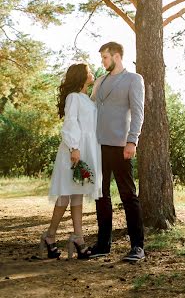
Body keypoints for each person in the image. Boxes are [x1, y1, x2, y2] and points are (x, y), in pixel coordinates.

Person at [88, 41, 145, 262]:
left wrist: (133, 141)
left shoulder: (133, 79)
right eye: (102, 57)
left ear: (117, 56)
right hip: (97, 145)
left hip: (121, 146)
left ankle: (137, 246)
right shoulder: (100, 81)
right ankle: (103, 244)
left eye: (105, 57)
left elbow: (138, 113)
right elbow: (91, 109)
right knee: (101, 196)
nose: (102, 61)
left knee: (128, 196)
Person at [41, 63, 102, 260]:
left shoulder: (88, 99)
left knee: (78, 194)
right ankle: (50, 236)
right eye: (89, 71)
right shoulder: (73, 97)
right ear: (81, 77)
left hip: (88, 147)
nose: (92, 73)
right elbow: (70, 122)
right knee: (65, 196)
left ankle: (78, 237)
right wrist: (74, 147)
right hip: (73, 149)